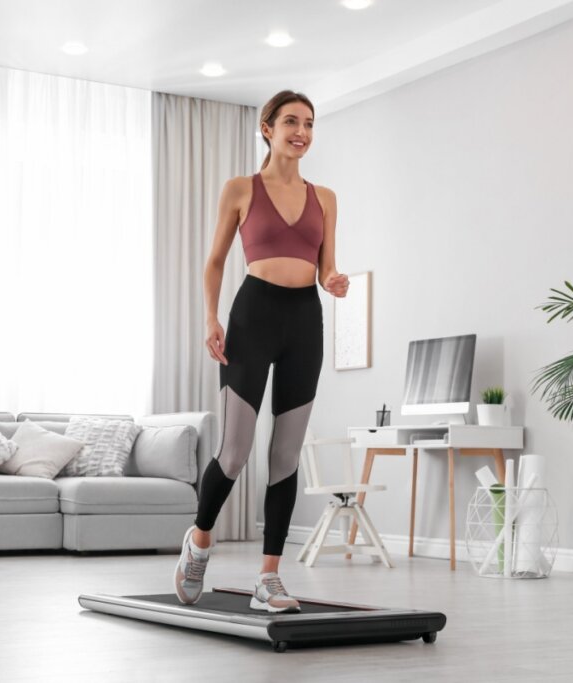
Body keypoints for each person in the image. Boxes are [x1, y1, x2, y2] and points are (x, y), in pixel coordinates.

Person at [174, 90, 349, 613]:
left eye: (310, 124)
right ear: (267, 128)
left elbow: (326, 266)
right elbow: (214, 262)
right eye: (291, 121)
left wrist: (334, 280)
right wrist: (210, 318)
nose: (302, 131)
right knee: (234, 451)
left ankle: (268, 577)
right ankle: (200, 540)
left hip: (305, 320)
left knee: (286, 455)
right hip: (252, 316)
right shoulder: (240, 189)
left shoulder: (327, 197)